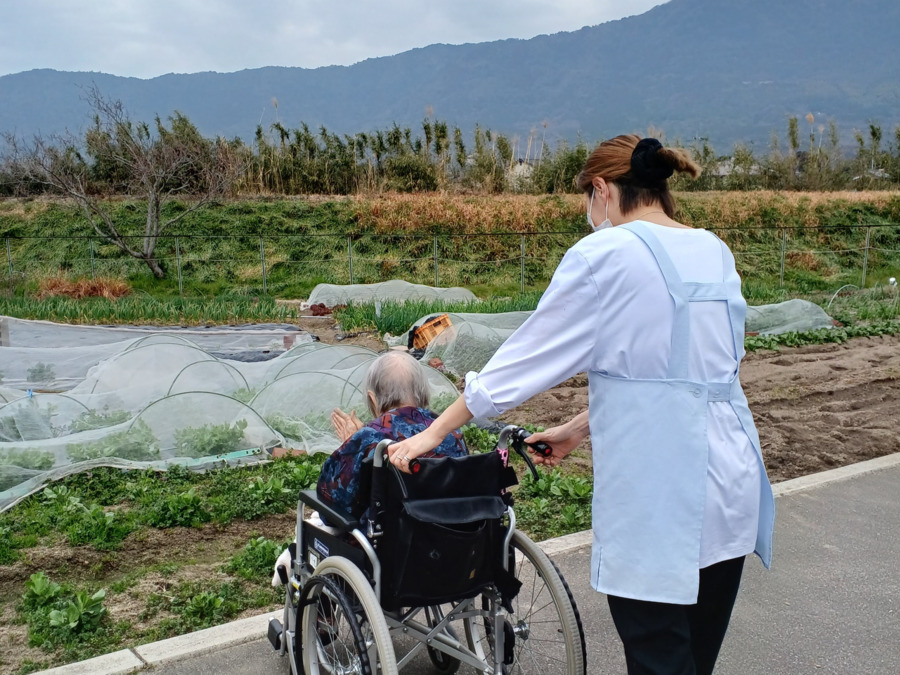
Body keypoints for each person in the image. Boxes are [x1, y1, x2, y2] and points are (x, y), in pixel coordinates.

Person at [387, 135, 775, 675]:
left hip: (660, 492)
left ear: (601, 190)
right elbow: (692, 374)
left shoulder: (605, 254)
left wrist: (431, 434)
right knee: (692, 658)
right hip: (731, 486)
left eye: (587, 202)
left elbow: (520, 363)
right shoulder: (714, 249)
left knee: (659, 657)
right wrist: (578, 427)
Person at [316, 350, 468, 517]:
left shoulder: (368, 439)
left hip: (391, 532)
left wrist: (352, 447)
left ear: (372, 399)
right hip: (453, 529)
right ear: (423, 392)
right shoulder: (451, 432)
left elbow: (331, 508)